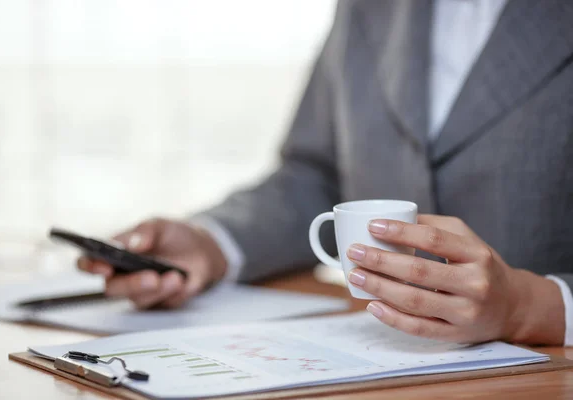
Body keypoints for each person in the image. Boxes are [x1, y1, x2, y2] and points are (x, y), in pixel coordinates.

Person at [78, 0, 573, 346]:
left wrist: (530, 307)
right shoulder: (367, 6)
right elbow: (317, 175)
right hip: (383, 367)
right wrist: (212, 245)